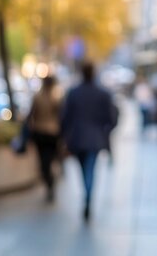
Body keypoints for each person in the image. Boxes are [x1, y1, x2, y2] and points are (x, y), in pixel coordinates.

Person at [60, 61, 119, 221]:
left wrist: (65, 134)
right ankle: (88, 198)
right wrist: (105, 130)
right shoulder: (103, 93)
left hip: (77, 138)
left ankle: (86, 196)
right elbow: (112, 117)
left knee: (83, 169)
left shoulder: (73, 92)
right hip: (95, 139)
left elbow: (65, 117)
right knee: (90, 169)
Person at [27, 75, 62, 203]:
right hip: (50, 133)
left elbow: (31, 115)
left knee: (44, 162)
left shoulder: (43, 97)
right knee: (47, 161)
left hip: (43, 133)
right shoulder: (56, 97)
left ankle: (50, 181)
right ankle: (50, 181)